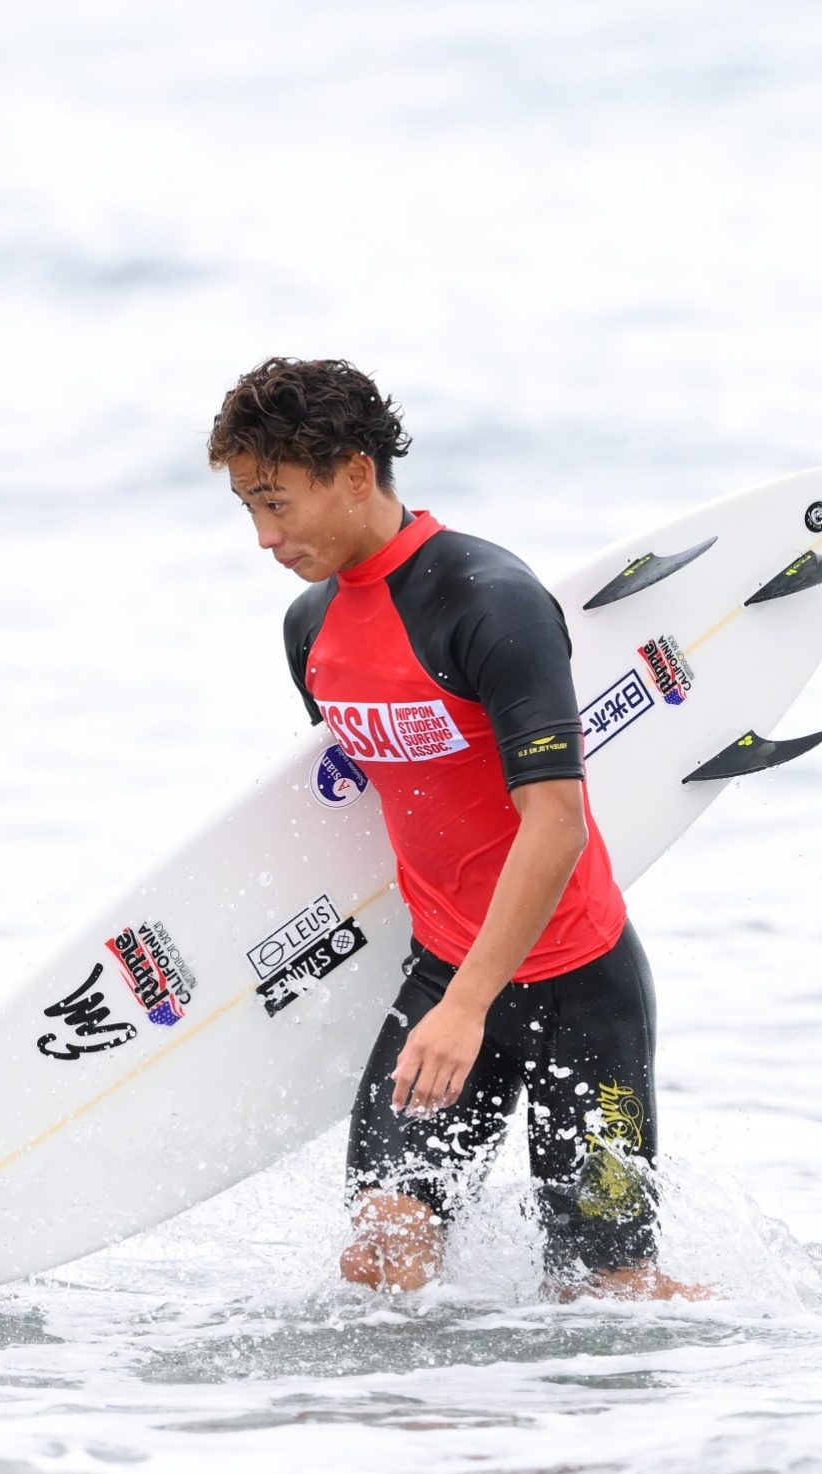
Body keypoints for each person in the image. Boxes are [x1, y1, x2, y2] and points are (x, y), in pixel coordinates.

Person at [207, 357, 701, 1301]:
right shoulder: (310, 630)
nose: (264, 536)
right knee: (379, 1263)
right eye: (248, 509)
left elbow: (556, 823)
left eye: (276, 502)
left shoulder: (488, 601)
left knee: (608, 1295)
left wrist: (469, 1007)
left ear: (356, 473)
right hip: (442, 974)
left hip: (577, 987)